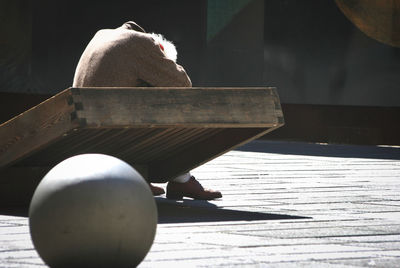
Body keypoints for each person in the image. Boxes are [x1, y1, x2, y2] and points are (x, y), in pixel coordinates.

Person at [73, 21, 222, 200]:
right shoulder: (141, 43)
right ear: (159, 47)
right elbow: (183, 84)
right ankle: (181, 180)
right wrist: (165, 62)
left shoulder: (103, 35)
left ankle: (139, 177)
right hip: (110, 136)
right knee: (180, 103)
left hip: (84, 134)